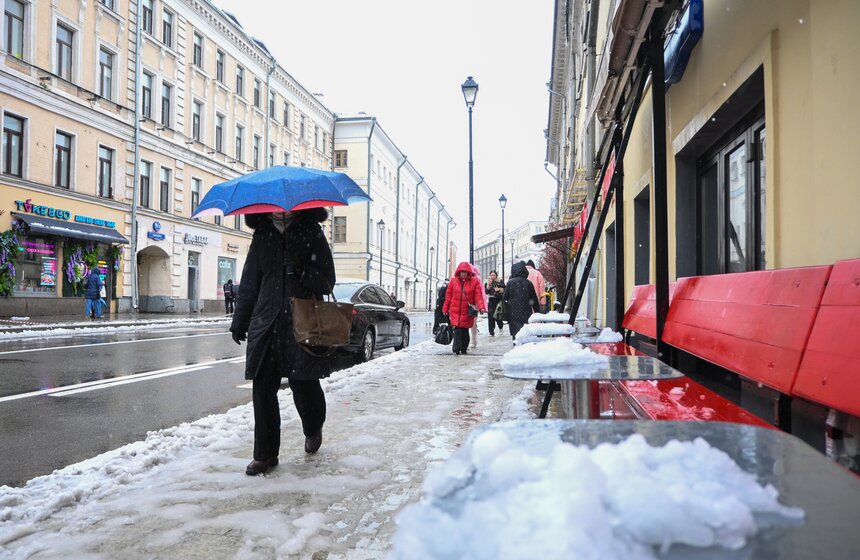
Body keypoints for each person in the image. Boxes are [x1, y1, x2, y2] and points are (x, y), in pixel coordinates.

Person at [230, 208, 336, 476]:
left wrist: (300, 269)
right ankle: (265, 455)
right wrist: (240, 321)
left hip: (301, 324)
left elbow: (327, 282)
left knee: (304, 383)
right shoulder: (262, 234)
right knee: (262, 387)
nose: (279, 211)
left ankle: (313, 427)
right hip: (266, 322)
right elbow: (250, 282)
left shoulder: (311, 232)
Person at [442, 262, 486, 355]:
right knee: (457, 330)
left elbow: (478, 296)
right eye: (462, 272)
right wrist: (445, 308)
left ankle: (464, 347)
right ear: (459, 272)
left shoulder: (474, 282)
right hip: (455, 310)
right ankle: (456, 348)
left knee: (465, 330)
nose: (464, 274)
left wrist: (481, 307)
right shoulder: (453, 281)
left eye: (465, 272)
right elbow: (448, 296)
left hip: (467, 311)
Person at [503, 261, 541, 340]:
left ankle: (516, 346)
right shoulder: (528, 283)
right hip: (526, 311)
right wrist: (537, 312)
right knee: (525, 331)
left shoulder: (510, 283)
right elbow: (534, 299)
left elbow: (505, 297)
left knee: (515, 333)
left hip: (513, 312)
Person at [469, 264, 487, 349]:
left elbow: (481, 294)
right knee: (468, 323)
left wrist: (481, 305)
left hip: (474, 304)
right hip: (469, 303)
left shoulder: (477, 279)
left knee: (472, 323)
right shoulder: (466, 279)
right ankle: (470, 340)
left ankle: (473, 341)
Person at [485, 270, 505, 337]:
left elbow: (504, 289)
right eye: (491, 275)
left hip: (498, 300)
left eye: (494, 275)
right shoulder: (488, 282)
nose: (492, 276)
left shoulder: (500, 281)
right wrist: (488, 285)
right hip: (491, 300)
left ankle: (500, 327)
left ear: (496, 275)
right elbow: (486, 292)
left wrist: (499, 289)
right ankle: (491, 332)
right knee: (490, 317)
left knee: (498, 316)